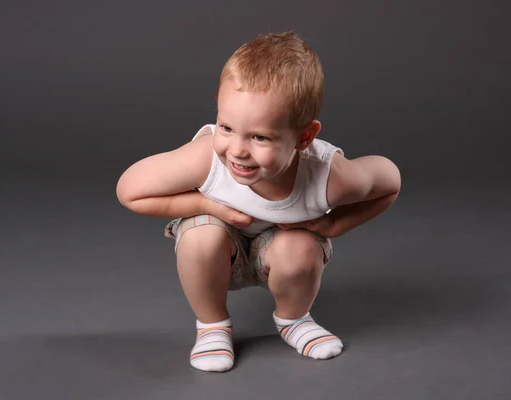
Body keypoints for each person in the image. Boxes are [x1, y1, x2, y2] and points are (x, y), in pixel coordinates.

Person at [116, 31, 401, 373]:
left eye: (260, 137)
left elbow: (389, 182)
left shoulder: (328, 176)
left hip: (281, 253)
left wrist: (335, 224)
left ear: (304, 137)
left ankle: (293, 319)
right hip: (219, 250)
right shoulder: (206, 158)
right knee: (200, 237)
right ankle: (212, 325)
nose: (237, 150)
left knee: (302, 249)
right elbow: (130, 190)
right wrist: (209, 207)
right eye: (226, 127)